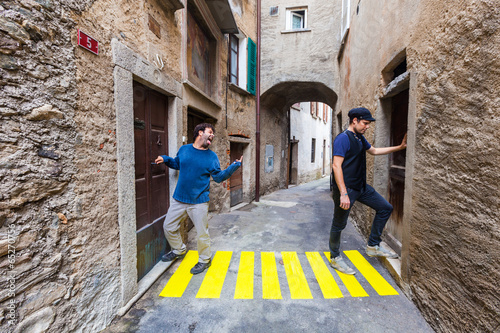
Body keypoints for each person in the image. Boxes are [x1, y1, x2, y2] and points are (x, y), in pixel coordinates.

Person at [155, 123, 242, 275]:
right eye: (210, 132)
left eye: (213, 133)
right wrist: (165, 158)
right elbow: (177, 164)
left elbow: (219, 177)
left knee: (202, 234)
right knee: (168, 226)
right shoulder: (184, 149)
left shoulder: (211, 156)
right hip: (179, 199)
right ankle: (179, 250)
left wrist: (233, 167)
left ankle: (205, 260)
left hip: (199, 201)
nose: (213, 135)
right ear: (200, 133)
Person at [329, 107, 407, 275]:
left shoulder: (359, 138)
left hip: (361, 187)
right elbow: (336, 166)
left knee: (385, 208)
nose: (367, 127)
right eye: (365, 123)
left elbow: (374, 151)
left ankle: (373, 245)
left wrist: (400, 147)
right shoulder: (343, 139)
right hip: (347, 189)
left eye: (369, 124)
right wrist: (343, 193)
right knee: (339, 223)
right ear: (354, 120)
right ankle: (335, 257)